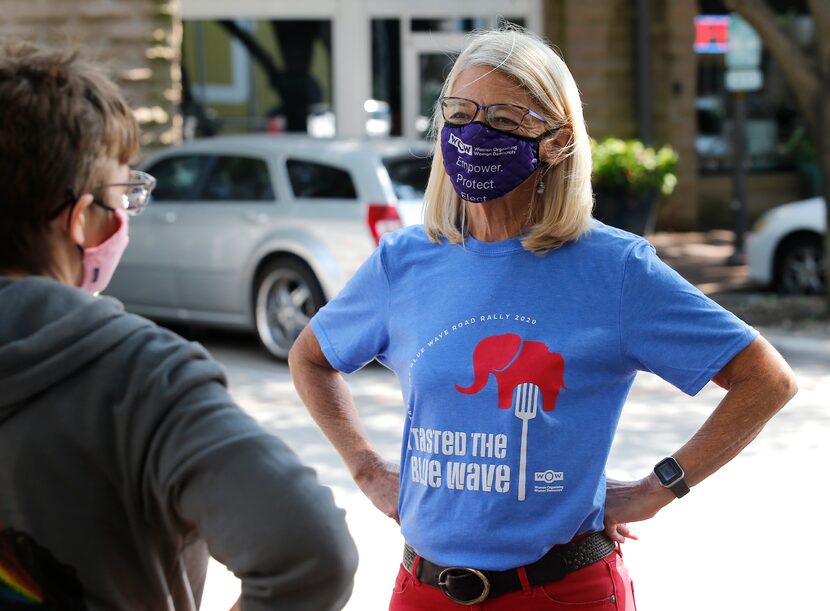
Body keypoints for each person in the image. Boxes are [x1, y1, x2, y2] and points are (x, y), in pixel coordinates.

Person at [289, 27, 798, 610]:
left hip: (562, 591)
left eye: (505, 120)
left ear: (557, 142)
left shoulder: (614, 269)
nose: (475, 134)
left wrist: (659, 488)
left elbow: (767, 379)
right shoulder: (403, 262)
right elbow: (311, 357)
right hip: (424, 591)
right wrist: (367, 469)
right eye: (459, 112)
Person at [0, 43, 357, 610]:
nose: (126, 220)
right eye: (122, 197)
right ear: (77, 221)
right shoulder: (139, 379)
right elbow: (312, 554)